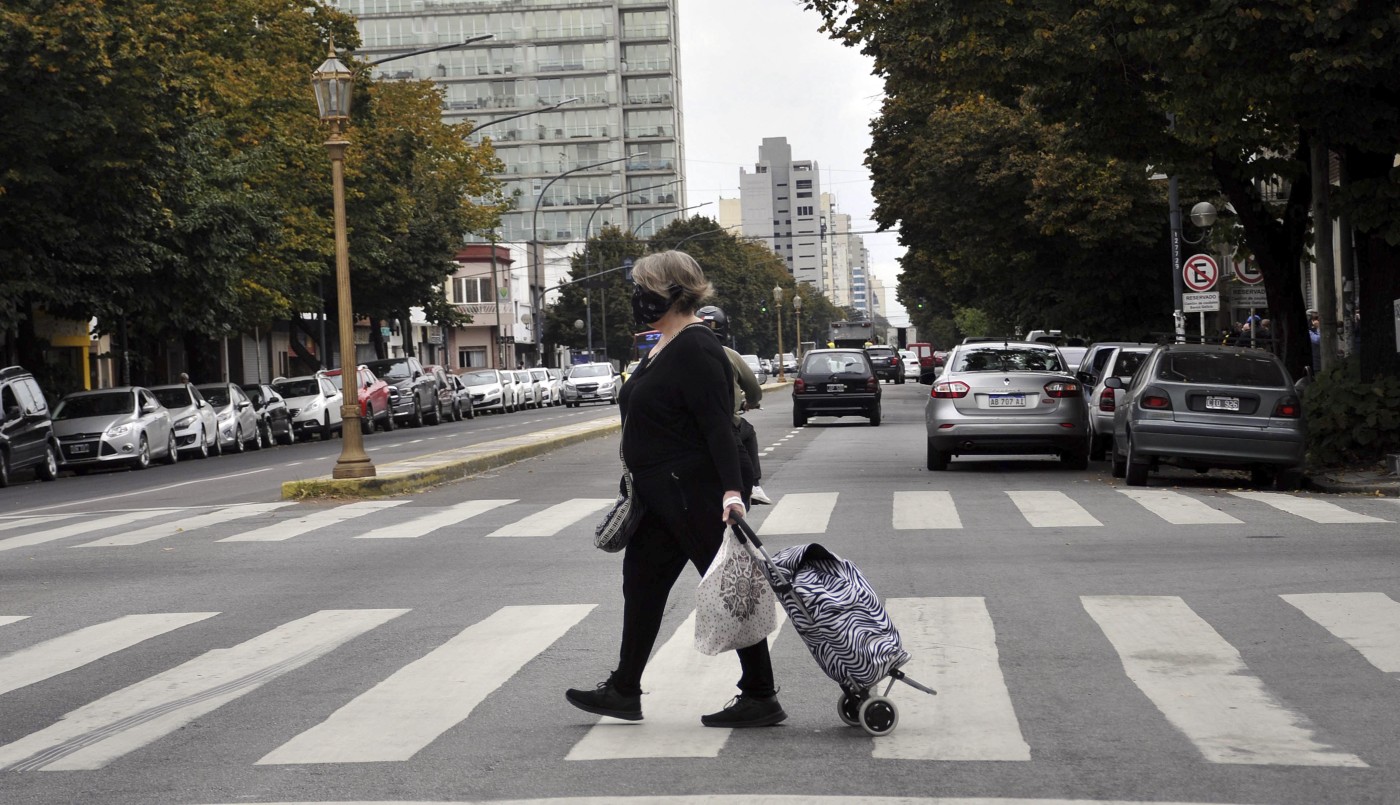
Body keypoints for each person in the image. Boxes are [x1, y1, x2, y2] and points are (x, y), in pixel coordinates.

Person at [565, 250, 785, 728]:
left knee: (727, 589)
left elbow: (717, 426)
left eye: (646, 288)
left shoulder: (696, 345)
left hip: (693, 494)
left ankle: (761, 694)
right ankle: (625, 689)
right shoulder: (662, 345)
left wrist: (732, 492)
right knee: (641, 586)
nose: (638, 297)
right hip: (659, 498)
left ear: (673, 291)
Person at [696, 305, 770, 506]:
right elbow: (754, 389)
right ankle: (754, 484)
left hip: (688, 426)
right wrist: (751, 402)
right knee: (749, 432)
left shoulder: (678, 354)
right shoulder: (728, 354)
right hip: (725, 422)